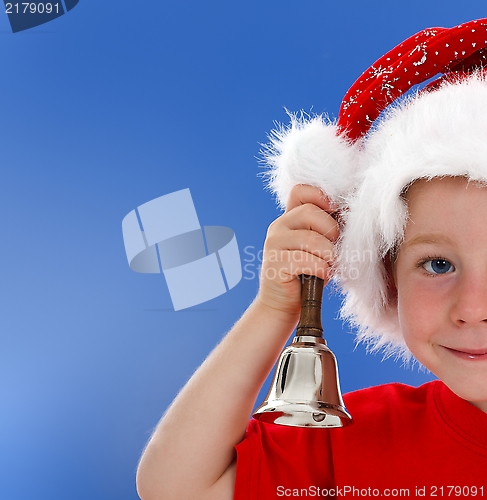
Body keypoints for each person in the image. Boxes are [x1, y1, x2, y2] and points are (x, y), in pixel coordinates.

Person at [136, 19, 487, 500]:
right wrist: (277, 307)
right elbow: (178, 487)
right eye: (438, 264)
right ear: (388, 275)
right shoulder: (355, 444)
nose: (472, 307)